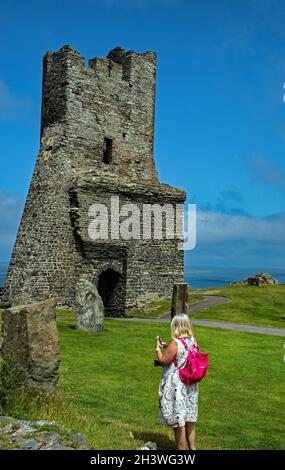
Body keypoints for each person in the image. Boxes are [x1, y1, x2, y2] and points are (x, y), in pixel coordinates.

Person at [155, 313, 198, 450]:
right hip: (189, 384)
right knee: (189, 418)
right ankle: (193, 448)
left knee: (178, 420)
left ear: (176, 326)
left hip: (177, 385)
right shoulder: (193, 340)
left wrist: (158, 349)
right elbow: (184, 355)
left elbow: (163, 361)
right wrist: (168, 347)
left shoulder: (176, 343)